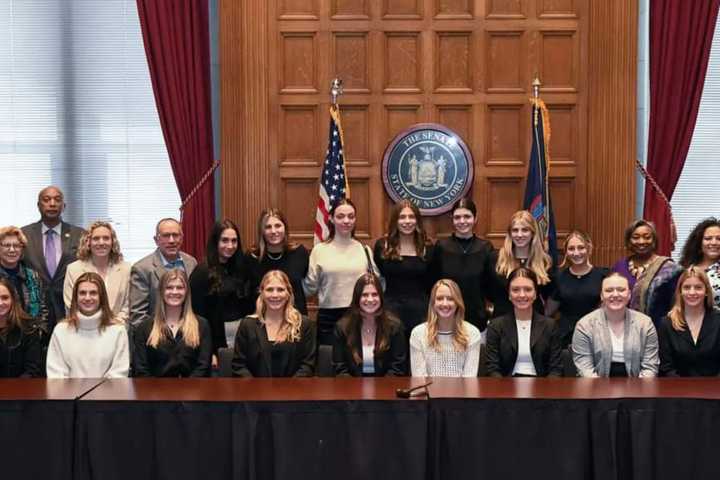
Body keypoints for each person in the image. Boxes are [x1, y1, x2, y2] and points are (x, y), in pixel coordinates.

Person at [303, 198, 381, 345]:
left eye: (351, 216)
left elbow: (378, 284)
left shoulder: (364, 250)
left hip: (360, 315)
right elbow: (309, 287)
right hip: (328, 319)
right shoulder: (319, 250)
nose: (346, 221)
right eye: (340, 216)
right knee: (329, 363)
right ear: (331, 219)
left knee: (359, 362)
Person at [190, 219, 254, 367]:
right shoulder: (202, 272)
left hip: (242, 335)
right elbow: (197, 316)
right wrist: (208, 351)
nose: (230, 246)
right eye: (224, 240)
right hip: (215, 338)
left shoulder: (243, 268)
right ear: (215, 242)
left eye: (234, 241)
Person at [21, 186, 84, 331]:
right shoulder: (24, 235)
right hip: (34, 312)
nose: (52, 203)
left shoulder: (79, 235)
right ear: (38, 205)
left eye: (57, 199)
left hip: (70, 309)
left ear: (64, 206)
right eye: (46, 199)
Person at [572, 273, 659, 377]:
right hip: (595, 388)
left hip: (638, 387)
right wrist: (601, 391)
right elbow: (585, 369)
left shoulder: (645, 324)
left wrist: (637, 391)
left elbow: (650, 367)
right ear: (601, 296)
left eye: (621, 290)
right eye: (609, 290)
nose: (615, 294)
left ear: (629, 294)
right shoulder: (584, 325)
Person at [232, 270, 315, 377]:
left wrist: (288, 390)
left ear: (288, 293)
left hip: (294, 391)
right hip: (255, 391)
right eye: (269, 289)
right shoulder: (247, 325)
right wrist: (257, 389)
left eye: (280, 290)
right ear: (261, 293)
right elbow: (239, 365)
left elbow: (307, 366)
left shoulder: (304, 325)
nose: (275, 295)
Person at [46, 272, 129, 378]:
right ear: (76, 297)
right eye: (82, 293)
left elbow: (119, 373)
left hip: (107, 394)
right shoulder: (61, 330)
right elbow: (56, 374)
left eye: (93, 293)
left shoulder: (118, 331)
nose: (88, 298)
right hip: (68, 394)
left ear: (101, 297)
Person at [430, 198, 494, 333]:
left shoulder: (486, 248)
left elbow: (489, 286)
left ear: (475, 218)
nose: (462, 221)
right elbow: (432, 283)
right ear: (452, 220)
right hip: (446, 317)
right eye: (457, 217)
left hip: (477, 318)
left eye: (467, 216)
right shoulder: (441, 247)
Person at [133, 269, 212, 377]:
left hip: (193, 390)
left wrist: (187, 391)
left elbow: (203, 367)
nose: (174, 292)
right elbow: (141, 370)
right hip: (154, 391)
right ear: (161, 291)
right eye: (169, 287)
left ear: (187, 292)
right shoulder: (144, 328)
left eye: (180, 287)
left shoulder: (202, 325)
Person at [486, 267, 563, 377]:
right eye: (516, 290)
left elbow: (556, 369)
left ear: (536, 294)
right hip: (505, 387)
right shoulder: (496, 326)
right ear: (509, 294)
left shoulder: (550, 326)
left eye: (528, 289)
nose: (522, 295)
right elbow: (492, 368)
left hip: (542, 387)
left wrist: (546, 392)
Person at [373, 200, 434, 339]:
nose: (407, 221)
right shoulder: (383, 246)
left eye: (411, 217)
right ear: (395, 220)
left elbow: (432, 282)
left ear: (417, 220)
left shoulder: (428, 248)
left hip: (421, 313)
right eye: (402, 217)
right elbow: (378, 278)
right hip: (390, 312)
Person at [333, 273, 407, 376]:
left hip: (386, 388)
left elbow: (397, 368)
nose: (370, 299)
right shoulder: (342, 328)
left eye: (375, 294)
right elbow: (340, 369)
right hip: (351, 388)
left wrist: (380, 390)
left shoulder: (395, 327)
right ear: (357, 298)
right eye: (365, 295)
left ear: (381, 297)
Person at [545, 230, 609, 348]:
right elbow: (548, 312)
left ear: (589, 248)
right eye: (571, 248)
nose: (576, 252)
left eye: (581, 248)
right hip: (565, 337)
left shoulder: (603, 276)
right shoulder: (559, 278)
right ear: (566, 252)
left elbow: (607, 309)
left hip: (595, 334)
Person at [612, 219, 682, 326]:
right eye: (635, 237)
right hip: (623, 330)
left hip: (658, 331)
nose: (641, 241)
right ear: (629, 240)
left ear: (654, 240)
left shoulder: (669, 269)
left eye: (647, 237)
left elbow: (677, 304)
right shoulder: (619, 266)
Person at [129, 218, 198, 328]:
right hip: (156, 336)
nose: (171, 240)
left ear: (182, 238)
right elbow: (138, 316)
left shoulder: (191, 263)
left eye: (175, 235)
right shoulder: (142, 269)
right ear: (156, 240)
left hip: (189, 331)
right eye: (166, 235)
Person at [410, 279, 483, 377]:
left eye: (450, 299)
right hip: (428, 392)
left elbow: (469, 379)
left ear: (458, 302)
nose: (445, 304)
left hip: (462, 392)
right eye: (440, 298)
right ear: (433, 303)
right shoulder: (418, 334)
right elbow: (419, 380)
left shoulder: (472, 333)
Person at [64, 221, 131, 324]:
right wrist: (92, 326)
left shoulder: (126, 269)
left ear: (113, 242)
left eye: (106, 238)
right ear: (88, 242)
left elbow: (127, 306)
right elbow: (71, 305)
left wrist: (113, 326)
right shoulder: (73, 269)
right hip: (83, 331)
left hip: (117, 330)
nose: (101, 243)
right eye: (96, 238)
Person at [658, 267, 720, 377]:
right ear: (680, 291)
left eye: (698, 287)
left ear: (706, 291)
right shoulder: (667, 323)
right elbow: (666, 367)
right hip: (678, 389)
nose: (692, 292)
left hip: (715, 390)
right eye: (687, 287)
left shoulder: (718, 320)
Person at [492, 210, 554, 318]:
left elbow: (550, 294)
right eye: (515, 230)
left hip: (535, 322)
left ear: (533, 233)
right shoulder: (495, 259)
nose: (519, 235)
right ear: (510, 233)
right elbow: (489, 291)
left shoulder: (545, 262)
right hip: (502, 323)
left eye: (525, 230)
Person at [246, 208, 309, 314]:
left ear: (285, 228)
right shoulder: (252, 257)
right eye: (268, 227)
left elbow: (307, 286)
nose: (273, 231)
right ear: (262, 231)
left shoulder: (299, 253)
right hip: (262, 319)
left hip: (295, 318)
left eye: (278, 226)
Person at [0, 226, 49, 338]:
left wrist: (40, 333)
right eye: (7, 245)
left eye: (17, 245)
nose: (12, 250)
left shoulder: (33, 276)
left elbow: (42, 309)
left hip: (29, 340)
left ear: (22, 249)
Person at [0, 278, 43, 377]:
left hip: (21, 389)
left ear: (13, 300)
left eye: (5, 298)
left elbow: (32, 370)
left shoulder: (29, 329)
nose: (0, 303)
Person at [679, 217, 720, 305]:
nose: (713, 242)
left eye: (719, 239)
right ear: (698, 242)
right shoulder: (686, 269)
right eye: (708, 238)